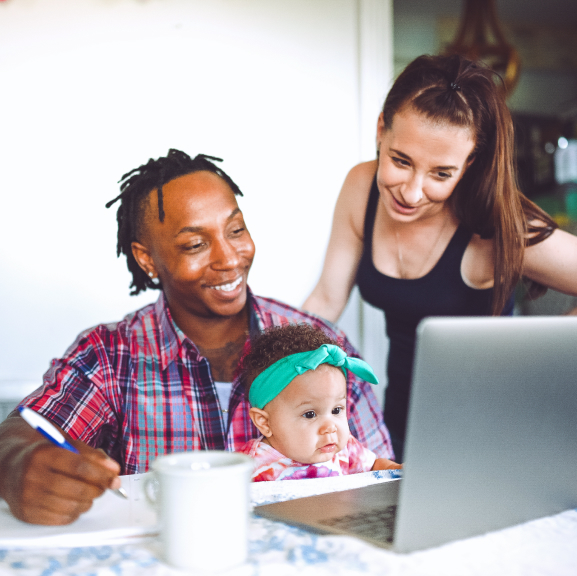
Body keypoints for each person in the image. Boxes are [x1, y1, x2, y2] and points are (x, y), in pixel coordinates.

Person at [0, 149, 393, 526]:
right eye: (195, 244)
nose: (229, 258)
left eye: (236, 230)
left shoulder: (320, 349)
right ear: (147, 259)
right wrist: (17, 463)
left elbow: (384, 483)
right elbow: (20, 433)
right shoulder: (109, 356)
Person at [303, 54, 577, 460]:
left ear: (470, 163)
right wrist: (274, 364)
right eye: (400, 161)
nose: (411, 193)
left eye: (441, 174)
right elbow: (325, 301)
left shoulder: (495, 227)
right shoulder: (361, 185)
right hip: (396, 424)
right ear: (381, 130)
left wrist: (543, 358)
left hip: (493, 436)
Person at [238, 324, 402, 481]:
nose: (330, 427)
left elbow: (374, 465)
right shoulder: (247, 467)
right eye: (310, 414)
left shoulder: (346, 449)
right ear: (264, 422)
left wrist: (397, 470)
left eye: (337, 410)